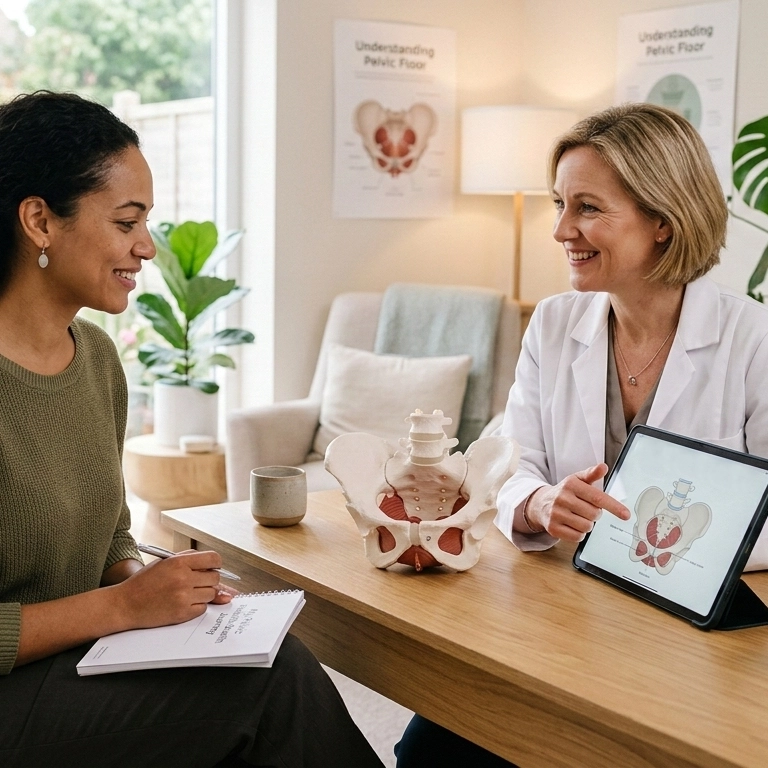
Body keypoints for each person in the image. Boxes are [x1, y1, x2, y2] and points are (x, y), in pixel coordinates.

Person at [0, 91, 383, 768]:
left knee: (270, 665)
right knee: (269, 693)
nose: (146, 247)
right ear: (39, 221)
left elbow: (110, 532)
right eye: (126, 222)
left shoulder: (95, 358)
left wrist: (158, 584)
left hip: (79, 662)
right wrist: (120, 609)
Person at [395, 102, 768, 767]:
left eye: (588, 208)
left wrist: (650, 539)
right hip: (564, 612)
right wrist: (538, 503)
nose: (563, 229)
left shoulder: (752, 340)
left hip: (693, 639)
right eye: (561, 204)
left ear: (663, 220)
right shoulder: (554, 325)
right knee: (431, 748)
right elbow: (510, 460)